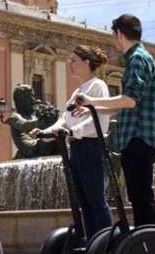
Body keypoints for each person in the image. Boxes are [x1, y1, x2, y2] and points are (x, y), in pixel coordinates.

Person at [74, 14, 155, 226]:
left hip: (138, 138)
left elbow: (130, 100)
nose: (113, 40)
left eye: (114, 35)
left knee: (141, 198)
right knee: (139, 197)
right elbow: (129, 105)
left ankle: (147, 242)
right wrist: (93, 110)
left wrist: (93, 101)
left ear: (119, 34)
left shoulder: (137, 59)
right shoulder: (138, 58)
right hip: (137, 137)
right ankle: (145, 239)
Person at [29, 45, 113, 239]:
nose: (70, 64)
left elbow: (100, 121)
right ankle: (93, 241)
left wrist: (74, 131)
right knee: (83, 202)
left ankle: (106, 242)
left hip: (90, 147)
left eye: (74, 60)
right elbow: (63, 120)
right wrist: (44, 132)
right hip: (74, 147)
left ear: (86, 62)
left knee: (96, 200)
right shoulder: (77, 92)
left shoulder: (98, 86)